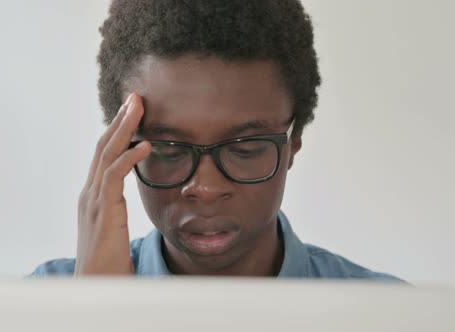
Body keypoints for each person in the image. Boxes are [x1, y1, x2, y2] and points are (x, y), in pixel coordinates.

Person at [31, 0, 401, 280]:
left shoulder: (393, 317)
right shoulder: (43, 306)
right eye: (169, 149)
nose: (205, 188)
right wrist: (95, 312)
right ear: (123, 150)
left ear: (294, 143)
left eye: (245, 148)